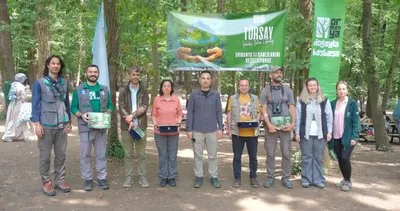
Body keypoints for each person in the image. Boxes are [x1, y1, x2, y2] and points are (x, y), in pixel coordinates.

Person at [31, 55, 72, 196]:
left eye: (58, 64)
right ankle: (46, 182)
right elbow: (35, 105)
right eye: (53, 63)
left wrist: (69, 121)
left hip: (62, 125)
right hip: (46, 125)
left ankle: (60, 181)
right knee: (45, 156)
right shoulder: (39, 83)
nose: (56, 66)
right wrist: (37, 124)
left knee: (61, 154)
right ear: (48, 65)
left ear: (60, 66)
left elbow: (66, 103)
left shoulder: (64, 83)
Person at [71, 64, 114, 191]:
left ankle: (102, 178)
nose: (93, 74)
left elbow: (111, 105)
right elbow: (73, 107)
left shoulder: (104, 89)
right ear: (86, 73)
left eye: (95, 72)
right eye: (90, 72)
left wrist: (108, 112)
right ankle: (88, 179)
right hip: (85, 128)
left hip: (100, 128)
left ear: (98, 74)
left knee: (101, 154)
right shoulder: (79, 90)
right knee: (85, 155)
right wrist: (80, 114)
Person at [260, 67, 296, 189]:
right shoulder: (265, 90)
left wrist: (292, 124)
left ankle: (286, 178)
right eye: (276, 72)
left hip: (286, 127)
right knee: (270, 153)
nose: (279, 74)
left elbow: (292, 108)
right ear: (271, 75)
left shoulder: (288, 90)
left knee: (286, 153)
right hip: (271, 127)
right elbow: (263, 109)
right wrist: (269, 125)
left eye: (280, 72)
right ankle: (270, 177)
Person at [186, 70, 223, 188]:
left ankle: (214, 177)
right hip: (197, 130)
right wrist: (189, 129)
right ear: (200, 80)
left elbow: (219, 112)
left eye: (208, 78)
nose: (205, 80)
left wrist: (220, 128)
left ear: (211, 80)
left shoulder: (216, 95)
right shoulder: (194, 95)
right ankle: (199, 176)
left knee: (213, 155)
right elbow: (190, 113)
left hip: (212, 130)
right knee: (198, 155)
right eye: (203, 78)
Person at [295, 78, 333, 189]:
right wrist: (297, 133)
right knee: (307, 157)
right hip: (305, 134)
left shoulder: (324, 100)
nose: (312, 87)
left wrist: (329, 132)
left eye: (314, 85)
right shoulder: (301, 101)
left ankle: (318, 180)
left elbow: (329, 117)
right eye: (310, 85)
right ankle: (306, 179)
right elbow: (298, 118)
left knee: (318, 157)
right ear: (307, 87)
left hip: (320, 134)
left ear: (317, 86)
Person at [118, 65, 149, 188]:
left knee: (141, 154)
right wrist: (128, 119)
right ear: (129, 75)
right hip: (127, 127)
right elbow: (121, 106)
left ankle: (142, 176)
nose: (135, 77)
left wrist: (132, 116)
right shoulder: (123, 90)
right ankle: (129, 177)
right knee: (128, 154)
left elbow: (145, 106)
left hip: (140, 126)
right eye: (133, 74)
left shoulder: (144, 90)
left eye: (137, 75)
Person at [226, 79, 261, 188]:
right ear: (238, 87)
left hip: (252, 133)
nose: (244, 87)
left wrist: (256, 122)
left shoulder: (255, 98)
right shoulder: (233, 98)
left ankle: (253, 177)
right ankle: (237, 178)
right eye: (242, 85)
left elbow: (259, 113)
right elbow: (229, 114)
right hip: (237, 133)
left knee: (253, 157)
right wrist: (229, 129)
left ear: (249, 87)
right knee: (237, 156)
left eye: (246, 85)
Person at [330, 80, 360, 192]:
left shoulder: (352, 104)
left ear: (347, 90)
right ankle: (344, 179)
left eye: (343, 89)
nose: (341, 91)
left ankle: (348, 181)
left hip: (348, 137)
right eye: (339, 89)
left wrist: (354, 137)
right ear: (336, 91)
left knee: (345, 158)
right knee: (340, 159)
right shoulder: (333, 103)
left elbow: (356, 122)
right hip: (336, 136)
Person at [151, 79, 183, 187]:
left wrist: (178, 122)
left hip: (173, 131)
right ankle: (163, 177)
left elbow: (180, 113)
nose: (166, 88)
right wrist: (155, 124)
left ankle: (172, 176)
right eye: (164, 86)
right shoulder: (157, 99)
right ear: (161, 88)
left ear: (171, 88)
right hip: (160, 132)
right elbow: (154, 114)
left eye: (169, 86)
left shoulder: (176, 99)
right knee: (163, 155)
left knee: (172, 155)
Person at [2, 73, 35, 142]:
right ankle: (8, 135)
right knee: (18, 120)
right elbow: (24, 97)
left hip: (13, 105)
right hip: (18, 105)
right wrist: (30, 96)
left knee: (16, 120)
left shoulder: (14, 84)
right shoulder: (21, 86)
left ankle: (20, 135)